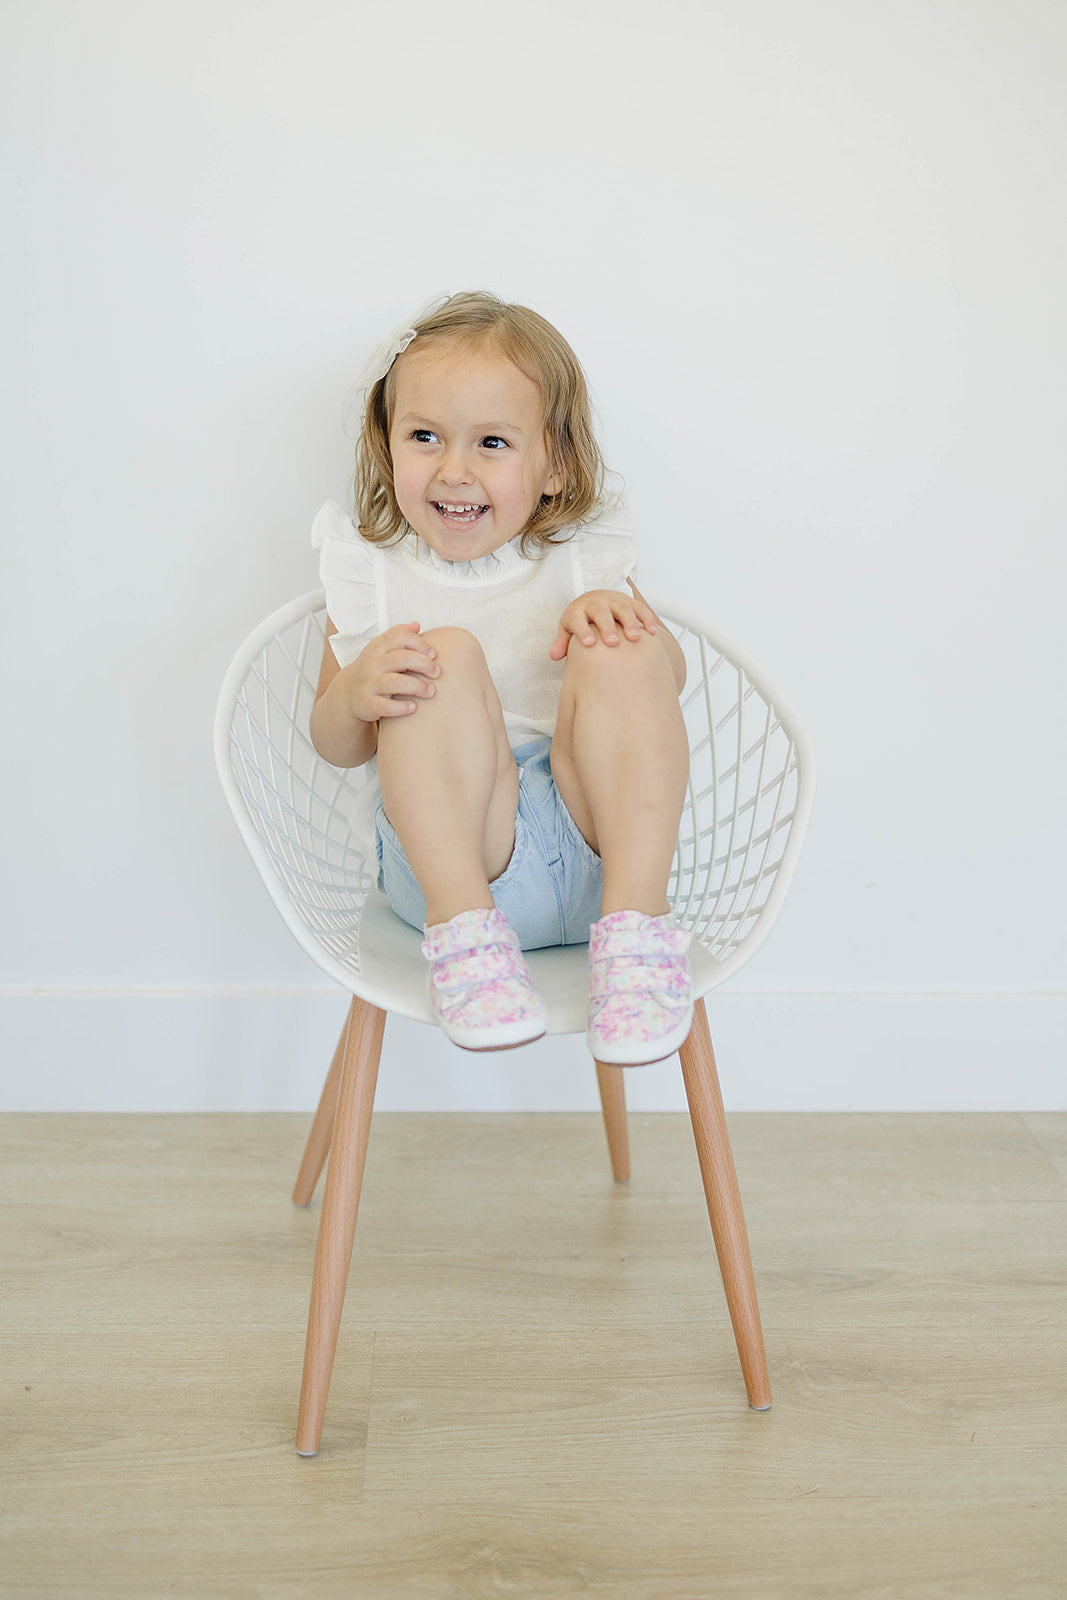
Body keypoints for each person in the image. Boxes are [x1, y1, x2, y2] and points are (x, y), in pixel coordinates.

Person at [308, 291, 691, 1066]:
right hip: (455, 859)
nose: (454, 470)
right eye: (424, 436)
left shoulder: (584, 557)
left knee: (617, 644)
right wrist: (355, 694)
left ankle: (638, 937)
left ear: (555, 467)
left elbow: (665, 679)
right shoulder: (371, 579)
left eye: (491, 442)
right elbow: (334, 742)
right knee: (434, 652)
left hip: (602, 858)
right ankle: (468, 944)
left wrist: (613, 615)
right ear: (387, 449)